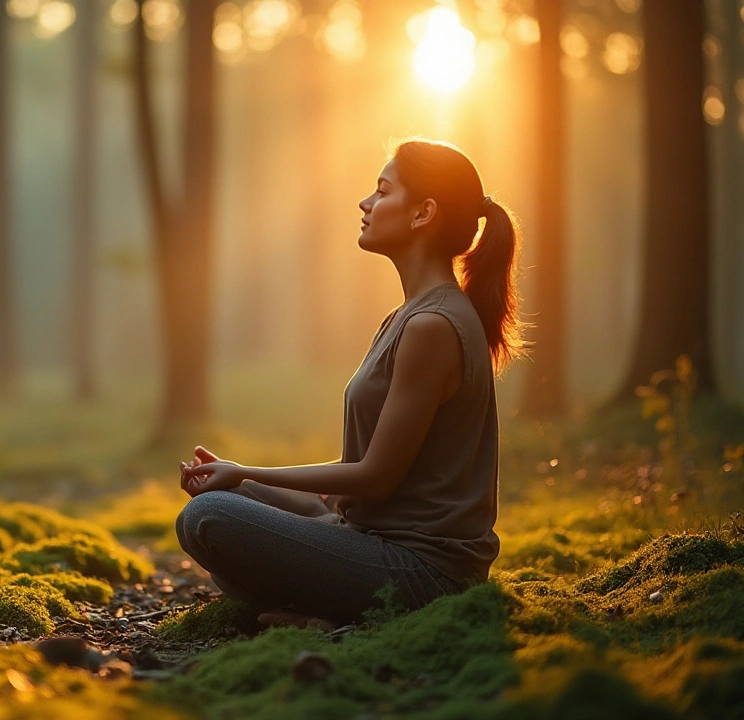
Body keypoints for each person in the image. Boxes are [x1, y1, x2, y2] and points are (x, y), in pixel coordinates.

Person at [174, 138, 525, 628]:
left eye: (382, 191)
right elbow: (376, 474)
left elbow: (376, 476)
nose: (365, 203)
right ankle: (323, 608)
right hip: (368, 534)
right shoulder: (407, 317)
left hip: (422, 571)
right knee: (226, 504)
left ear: (423, 213)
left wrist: (246, 470)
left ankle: (341, 618)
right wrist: (244, 479)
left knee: (209, 517)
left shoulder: (433, 327)